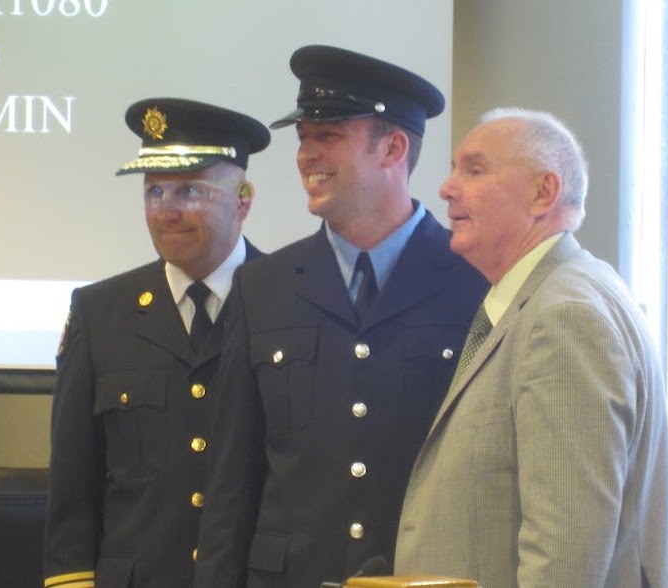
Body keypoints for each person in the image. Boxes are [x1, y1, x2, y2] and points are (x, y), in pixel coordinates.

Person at [193, 45, 488, 588]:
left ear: (393, 147)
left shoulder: (474, 282)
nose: (306, 154)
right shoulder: (263, 288)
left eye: (327, 136)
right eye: (303, 137)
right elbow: (231, 481)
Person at [394, 107, 668, 586]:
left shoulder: (563, 316)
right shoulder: (559, 295)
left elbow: (566, 556)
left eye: (474, 169)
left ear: (542, 193)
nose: (447, 188)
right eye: (453, 169)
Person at [43, 98, 270, 588]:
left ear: (244, 199)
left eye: (191, 190)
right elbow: (74, 483)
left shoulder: (287, 301)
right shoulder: (101, 313)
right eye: (154, 192)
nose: (167, 211)